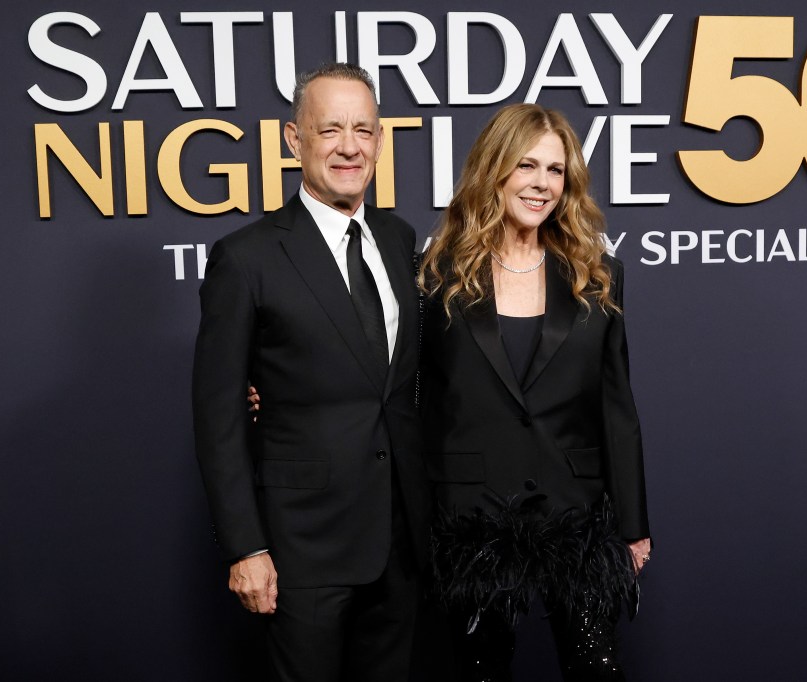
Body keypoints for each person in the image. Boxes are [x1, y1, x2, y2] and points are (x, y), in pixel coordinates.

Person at [192, 63, 430, 682]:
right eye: (330, 130)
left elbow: (405, 381)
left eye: (363, 130)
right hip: (302, 549)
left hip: (403, 542)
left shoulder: (400, 238)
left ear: (380, 141)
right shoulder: (245, 258)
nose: (349, 147)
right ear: (296, 141)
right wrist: (247, 546)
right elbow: (218, 417)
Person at [417, 103, 652, 681]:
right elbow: (401, 390)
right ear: (494, 170)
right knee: (480, 672)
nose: (542, 184)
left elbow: (616, 405)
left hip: (576, 512)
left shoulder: (598, 274)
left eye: (556, 170)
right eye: (527, 166)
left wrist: (633, 523)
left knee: (597, 669)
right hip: (472, 516)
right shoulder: (432, 275)